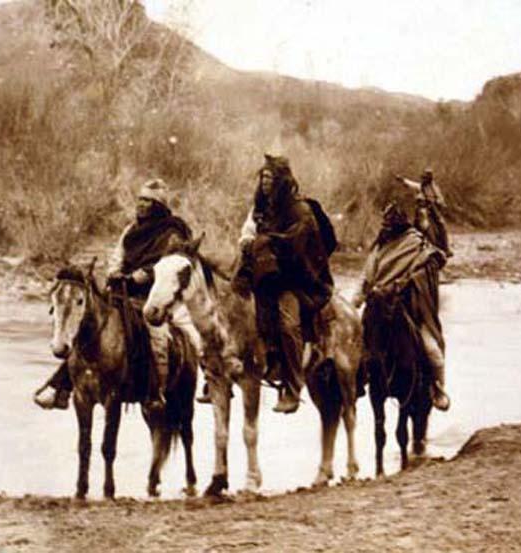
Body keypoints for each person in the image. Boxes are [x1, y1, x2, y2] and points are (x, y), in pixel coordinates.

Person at [34, 178, 201, 410]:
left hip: (154, 296)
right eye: (140, 199)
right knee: (88, 326)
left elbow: (173, 263)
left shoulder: (172, 232)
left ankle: (154, 390)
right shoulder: (131, 230)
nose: (141, 205)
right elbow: (118, 254)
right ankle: (62, 386)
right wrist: (115, 272)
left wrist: (145, 274)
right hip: (122, 291)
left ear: (158, 206)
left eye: (147, 201)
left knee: (154, 336)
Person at [233, 154, 336, 414]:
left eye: (269, 178)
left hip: (295, 277)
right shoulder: (261, 206)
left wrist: (265, 242)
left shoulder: (300, 210)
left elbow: (297, 244)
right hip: (266, 274)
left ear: (280, 181)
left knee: (289, 323)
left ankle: (292, 387)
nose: (264, 182)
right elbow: (249, 229)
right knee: (232, 308)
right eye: (262, 177)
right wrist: (247, 241)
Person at [352, 202, 450, 411]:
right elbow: (366, 277)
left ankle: (437, 388)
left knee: (433, 352)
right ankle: (355, 383)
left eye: (390, 223)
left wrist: (405, 284)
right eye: (384, 223)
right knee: (356, 345)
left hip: (410, 306)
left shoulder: (417, 243)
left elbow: (436, 261)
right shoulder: (379, 247)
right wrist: (355, 301)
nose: (386, 227)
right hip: (377, 305)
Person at [395, 168, 452, 256]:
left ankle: (446, 247)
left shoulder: (435, 189)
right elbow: (411, 184)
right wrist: (402, 180)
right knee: (413, 225)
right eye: (423, 178)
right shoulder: (420, 186)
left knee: (441, 224)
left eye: (425, 178)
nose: (423, 180)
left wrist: (436, 202)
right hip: (420, 210)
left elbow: (441, 201)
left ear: (429, 179)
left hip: (432, 210)